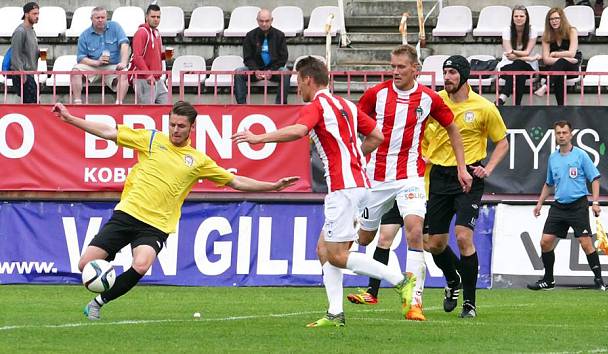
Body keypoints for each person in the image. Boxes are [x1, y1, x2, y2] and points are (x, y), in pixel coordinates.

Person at [51, 100, 298, 320]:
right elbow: (108, 132)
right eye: (172, 125)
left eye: (181, 126)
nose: (175, 130)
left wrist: (273, 186)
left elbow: (235, 181)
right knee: (86, 264)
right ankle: (107, 271)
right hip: (128, 213)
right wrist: (71, 118)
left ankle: (97, 303)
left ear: (192, 128)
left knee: (141, 264)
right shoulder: (150, 139)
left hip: (156, 225)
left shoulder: (198, 160)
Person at [232, 56, 416, 328]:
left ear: (308, 79)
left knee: (337, 255)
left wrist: (258, 138)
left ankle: (401, 281)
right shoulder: (346, 105)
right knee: (323, 249)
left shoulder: (317, 104)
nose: (297, 88)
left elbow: (298, 131)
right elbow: (377, 135)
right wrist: (354, 157)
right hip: (359, 183)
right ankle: (334, 313)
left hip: (343, 188)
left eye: (297, 81)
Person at [346, 45, 471, 322]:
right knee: (366, 238)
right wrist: (354, 154)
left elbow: (452, 128)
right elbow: (354, 123)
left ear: (416, 69)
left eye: (401, 67)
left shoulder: (428, 99)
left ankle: (415, 302)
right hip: (376, 177)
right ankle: (377, 284)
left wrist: (462, 167)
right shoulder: (375, 95)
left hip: (409, 177)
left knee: (415, 232)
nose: (395, 72)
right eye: (392, 66)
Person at [424, 55, 509, 319]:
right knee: (433, 244)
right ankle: (452, 280)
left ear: (463, 75)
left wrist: (488, 168)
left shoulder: (483, 107)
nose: (447, 77)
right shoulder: (434, 102)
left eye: (451, 72)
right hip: (438, 176)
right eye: (444, 72)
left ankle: (470, 304)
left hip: (469, 177)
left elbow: (503, 142)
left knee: (463, 236)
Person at [528, 120, 605, 291]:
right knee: (545, 242)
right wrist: (539, 203)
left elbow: (595, 178)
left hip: (578, 205)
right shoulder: (553, 158)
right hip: (559, 206)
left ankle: (599, 280)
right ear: (555, 135)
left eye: (564, 132)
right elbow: (549, 183)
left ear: (571, 134)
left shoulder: (580, 155)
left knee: (585, 243)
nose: (561, 136)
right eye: (558, 133)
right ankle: (548, 280)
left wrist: (596, 202)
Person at [72, 7, 130, 104]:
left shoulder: (115, 27)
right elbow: (81, 58)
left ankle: (119, 104)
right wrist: (97, 62)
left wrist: (124, 62)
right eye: (97, 17)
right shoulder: (84, 35)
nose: (100, 20)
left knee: (124, 72)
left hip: (113, 65)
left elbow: (124, 44)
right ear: (91, 19)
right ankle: (77, 102)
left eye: (103, 17)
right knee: (75, 71)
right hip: (93, 66)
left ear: (107, 17)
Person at [234, 8, 291, 105]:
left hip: (274, 70)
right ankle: (241, 105)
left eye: (267, 21)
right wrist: (256, 70)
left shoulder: (279, 35)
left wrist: (272, 70)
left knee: (285, 72)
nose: (264, 24)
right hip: (255, 70)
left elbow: (283, 57)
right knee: (239, 72)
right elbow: (247, 57)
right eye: (261, 21)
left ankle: (280, 105)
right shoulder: (250, 35)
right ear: (257, 20)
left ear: (271, 20)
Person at [497, 5, 541, 106]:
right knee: (519, 73)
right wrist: (531, 58)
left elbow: (526, 52)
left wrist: (522, 56)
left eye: (521, 16)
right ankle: (517, 105)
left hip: (528, 66)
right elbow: (509, 54)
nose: (518, 18)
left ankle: (503, 97)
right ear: (512, 18)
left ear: (526, 17)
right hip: (508, 65)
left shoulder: (532, 30)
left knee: (518, 64)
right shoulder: (507, 30)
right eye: (516, 16)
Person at [535, 8, 580, 106]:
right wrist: (566, 58)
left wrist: (555, 54)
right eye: (551, 19)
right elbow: (546, 60)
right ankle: (561, 107)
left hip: (571, 68)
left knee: (561, 63)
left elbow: (572, 53)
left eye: (556, 18)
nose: (554, 21)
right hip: (556, 68)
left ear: (562, 19)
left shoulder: (572, 31)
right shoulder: (546, 36)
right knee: (559, 69)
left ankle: (546, 85)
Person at [129, 4, 168, 104]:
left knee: (167, 108)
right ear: (146, 17)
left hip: (157, 79)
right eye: (153, 17)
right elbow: (137, 57)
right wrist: (147, 75)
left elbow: (158, 56)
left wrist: (166, 55)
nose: (156, 19)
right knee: (148, 110)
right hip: (144, 79)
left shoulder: (157, 33)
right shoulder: (141, 32)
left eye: (158, 17)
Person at [9, 2, 39, 104]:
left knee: (33, 105)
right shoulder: (20, 31)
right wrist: (22, 74)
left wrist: (40, 53)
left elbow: (29, 51)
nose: (37, 16)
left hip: (29, 73)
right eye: (34, 14)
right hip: (23, 74)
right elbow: (15, 55)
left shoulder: (32, 30)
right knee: (31, 106)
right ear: (26, 14)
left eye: (38, 14)